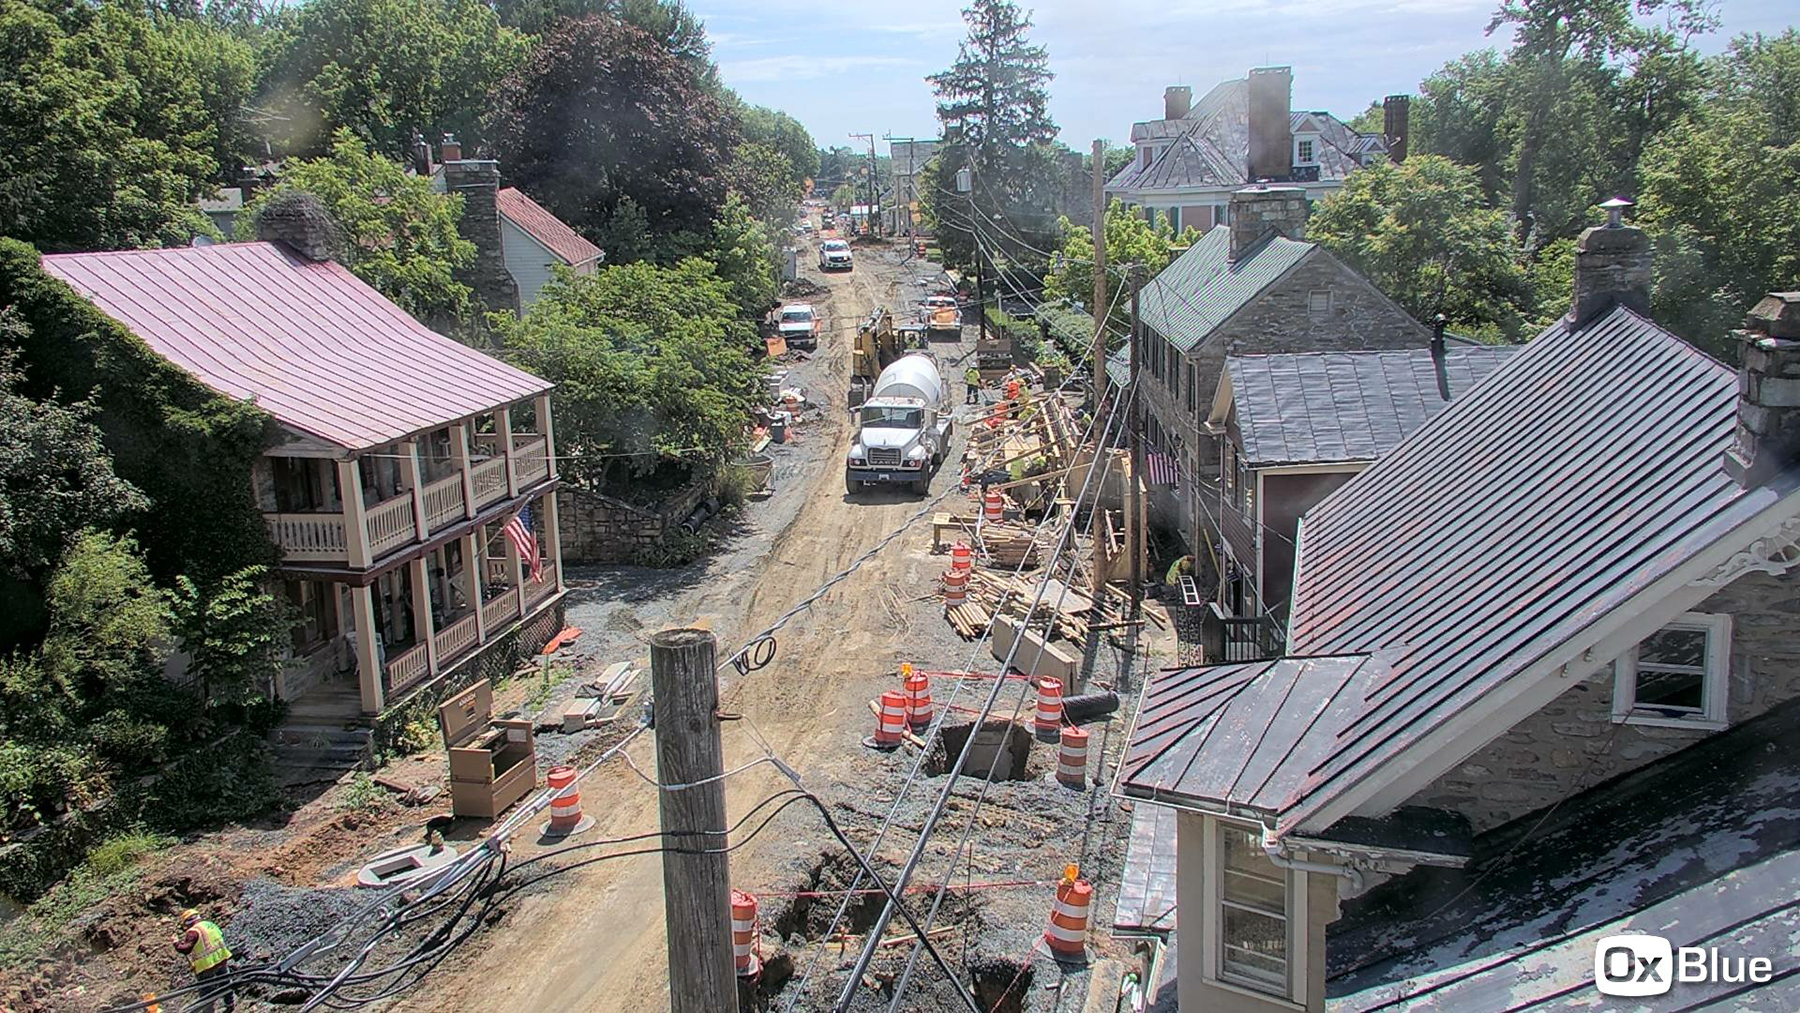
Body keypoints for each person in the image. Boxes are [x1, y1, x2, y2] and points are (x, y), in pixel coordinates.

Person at [173, 908, 236, 1012]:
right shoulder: (210, 924)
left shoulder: (193, 932)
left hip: (207, 965)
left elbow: (186, 949)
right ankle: (230, 1004)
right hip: (221, 958)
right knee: (225, 982)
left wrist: (176, 943)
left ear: (187, 922)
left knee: (206, 992)